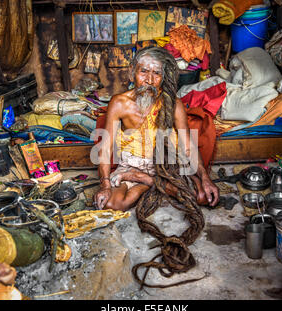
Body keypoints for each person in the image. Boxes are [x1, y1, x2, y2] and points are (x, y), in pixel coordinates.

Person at [93, 46, 219, 211]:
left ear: (163, 76)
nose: (149, 80)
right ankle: (154, 184)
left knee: (203, 197)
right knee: (111, 204)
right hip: (132, 164)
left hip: (166, 166)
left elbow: (188, 146)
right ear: (132, 72)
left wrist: (205, 178)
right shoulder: (119, 103)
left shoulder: (173, 104)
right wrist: (105, 185)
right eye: (143, 71)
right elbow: (105, 148)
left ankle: (144, 180)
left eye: (157, 73)